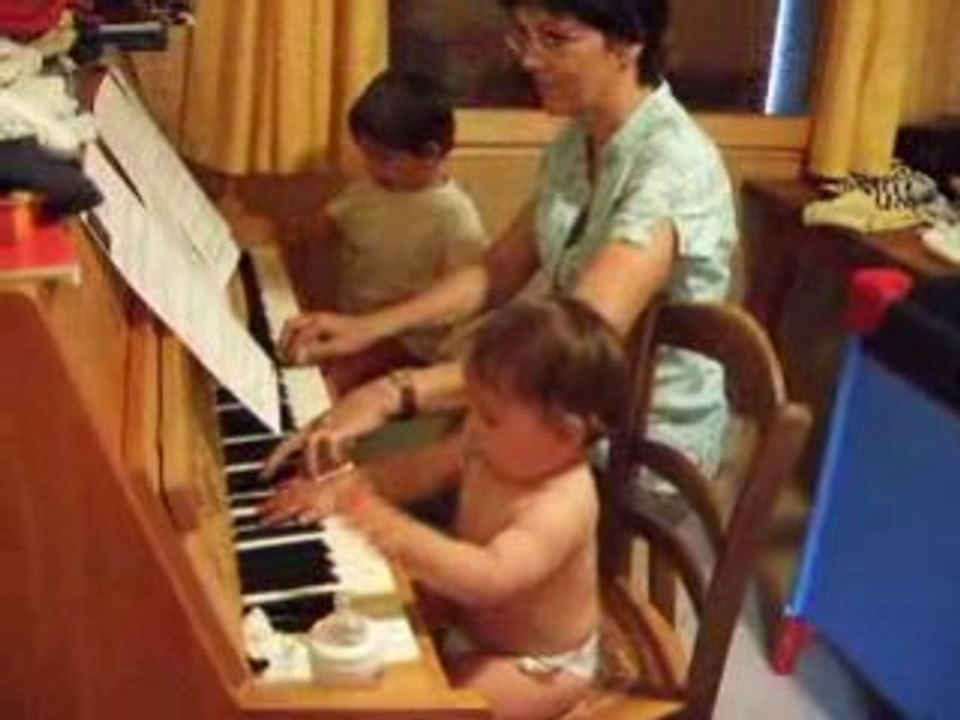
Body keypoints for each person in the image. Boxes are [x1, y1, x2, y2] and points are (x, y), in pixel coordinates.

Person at [267, 0, 737, 499]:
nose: (529, 59)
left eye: (554, 39)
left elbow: (570, 352)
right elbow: (495, 272)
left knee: (388, 495)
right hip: (561, 407)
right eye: (522, 35)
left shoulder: (670, 169)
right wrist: (368, 328)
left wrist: (394, 392)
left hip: (630, 442)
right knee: (372, 470)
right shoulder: (578, 140)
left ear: (626, 44)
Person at [261, 298, 629, 720]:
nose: (472, 425)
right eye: (471, 405)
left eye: (490, 416)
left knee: (435, 709)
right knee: (363, 634)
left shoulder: (560, 505)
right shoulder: (485, 444)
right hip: (472, 620)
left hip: (536, 665)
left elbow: (488, 577)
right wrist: (338, 489)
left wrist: (391, 528)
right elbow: (413, 473)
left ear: (565, 435)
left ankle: (571, 705)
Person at [280, 69, 489, 391]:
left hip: (412, 342)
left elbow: (464, 302)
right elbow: (320, 228)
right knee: (294, 349)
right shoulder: (368, 191)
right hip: (355, 321)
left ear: (431, 154)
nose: (371, 167)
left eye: (383, 158)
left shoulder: (454, 217)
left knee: (330, 379)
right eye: (366, 155)